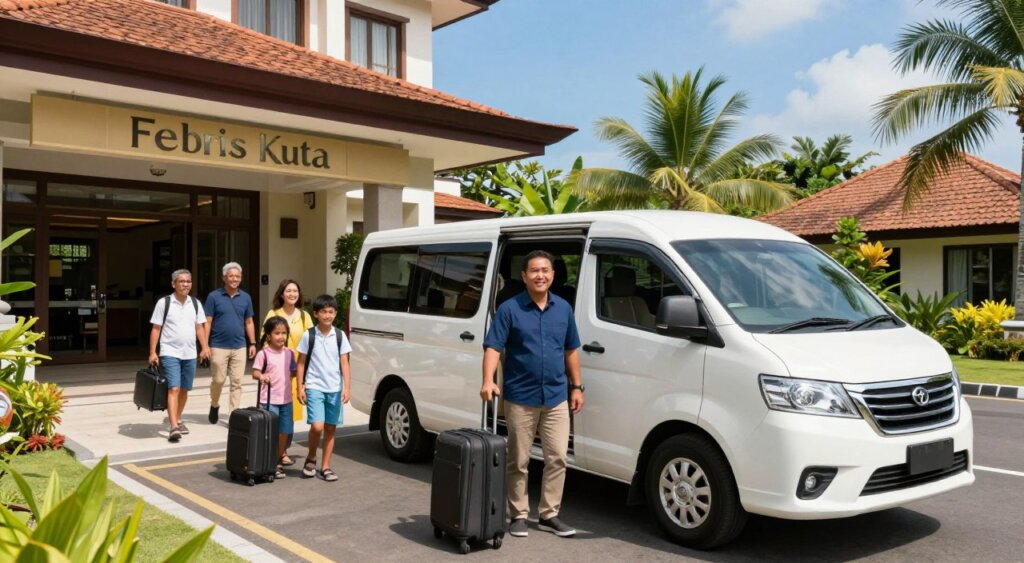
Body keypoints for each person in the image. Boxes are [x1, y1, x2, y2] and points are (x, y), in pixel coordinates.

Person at [481, 250, 584, 538]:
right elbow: (493, 347)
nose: (541, 275)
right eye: (534, 271)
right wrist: (488, 380)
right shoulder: (509, 309)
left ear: (553, 275)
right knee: (519, 459)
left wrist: (576, 386)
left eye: (546, 270)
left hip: (556, 397)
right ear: (524, 276)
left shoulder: (563, 309)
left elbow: (571, 349)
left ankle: (550, 514)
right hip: (520, 397)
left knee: (558, 457)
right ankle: (519, 514)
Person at [148, 269, 210, 443]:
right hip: (169, 352)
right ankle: (173, 426)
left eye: (188, 281)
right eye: (182, 281)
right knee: (173, 388)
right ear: (173, 284)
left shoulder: (195, 303)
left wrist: (204, 347)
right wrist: (153, 352)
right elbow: (156, 328)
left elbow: (199, 327)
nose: (185, 284)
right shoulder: (164, 303)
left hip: (189, 353)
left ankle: (178, 419)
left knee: (184, 389)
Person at [296, 294, 351, 482]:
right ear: (316, 314)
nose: (327, 315)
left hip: (335, 388)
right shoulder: (309, 335)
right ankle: (311, 456)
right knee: (317, 426)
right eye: (323, 312)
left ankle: (326, 466)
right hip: (314, 386)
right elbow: (301, 363)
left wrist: (347, 388)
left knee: (330, 428)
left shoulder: (340, 335)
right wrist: (300, 387)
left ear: (335, 314)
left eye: (331, 312)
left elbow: (345, 363)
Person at [260, 279, 314, 465]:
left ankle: (282, 450)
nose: (292, 294)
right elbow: (264, 339)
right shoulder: (273, 313)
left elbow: (311, 341)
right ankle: (277, 453)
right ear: (281, 294)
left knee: (290, 414)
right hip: (277, 369)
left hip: (297, 369)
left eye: (295, 291)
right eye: (288, 291)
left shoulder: (304, 316)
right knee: (276, 412)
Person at [205, 262, 256, 423]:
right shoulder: (214, 296)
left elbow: (249, 322)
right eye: (231, 276)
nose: (234, 279)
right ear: (224, 278)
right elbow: (208, 321)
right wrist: (204, 346)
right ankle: (214, 404)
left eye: (238, 276)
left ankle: (234, 415)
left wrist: (253, 343)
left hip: (240, 346)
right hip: (218, 345)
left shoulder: (246, 297)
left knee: (237, 382)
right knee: (218, 380)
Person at [253, 316, 297, 480]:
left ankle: (279, 457)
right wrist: (262, 376)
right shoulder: (263, 354)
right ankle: (273, 463)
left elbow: (293, 371)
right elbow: (255, 373)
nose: (281, 337)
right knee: (271, 433)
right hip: (269, 400)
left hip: (286, 400)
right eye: (277, 333)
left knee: (285, 432)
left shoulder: (289, 353)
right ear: (269, 335)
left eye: (284, 333)